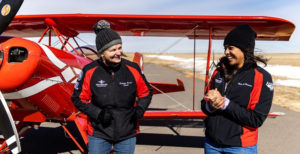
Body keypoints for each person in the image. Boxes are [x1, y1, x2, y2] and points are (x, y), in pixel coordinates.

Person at [71, 20, 153, 154]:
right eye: (113, 50)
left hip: (127, 132)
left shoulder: (132, 68)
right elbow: (78, 99)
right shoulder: (89, 71)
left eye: (120, 48)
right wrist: (98, 114)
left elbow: (146, 92)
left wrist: (140, 109)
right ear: (102, 53)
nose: (118, 53)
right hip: (99, 133)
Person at [201, 24, 274, 154]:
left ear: (244, 49)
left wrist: (225, 104)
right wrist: (210, 105)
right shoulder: (219, 72)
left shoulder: (261, 77)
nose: (226, 52)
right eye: (225, 48)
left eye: (230, 48)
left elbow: (256, 119)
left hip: (240, 148)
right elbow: (204, 105)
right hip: (211, 144)